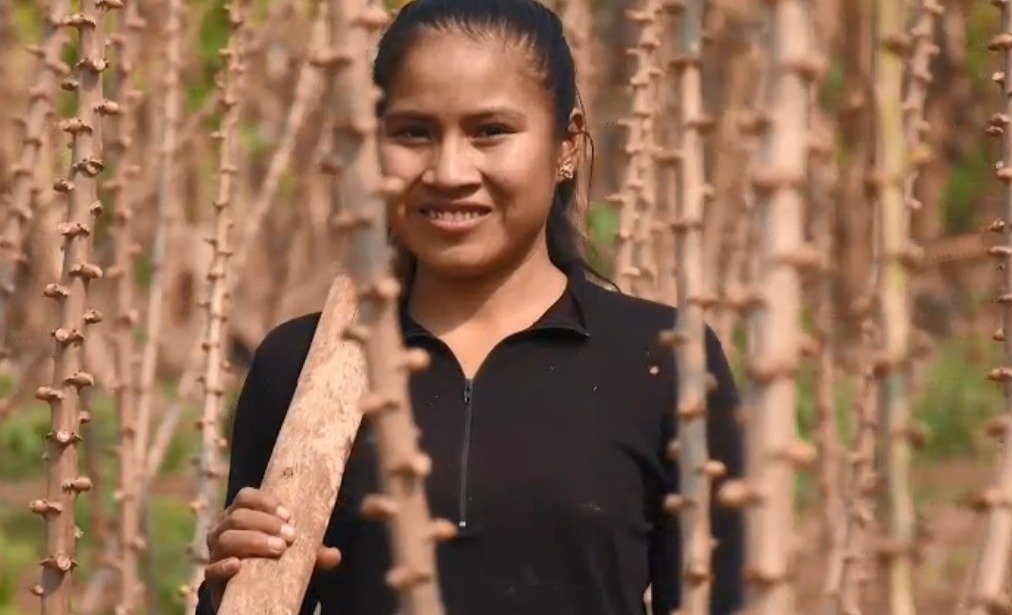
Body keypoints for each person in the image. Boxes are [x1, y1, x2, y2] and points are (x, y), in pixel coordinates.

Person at [195, 0, 744, 613]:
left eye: (491, 131)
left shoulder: (664, 360)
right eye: (413, 132)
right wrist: (230, 588)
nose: (450, 171)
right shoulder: (304, 364)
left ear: (567, 144)